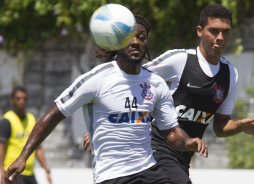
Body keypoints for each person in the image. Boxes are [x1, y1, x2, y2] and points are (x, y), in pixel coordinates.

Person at [5, 15, 208, 184]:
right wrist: (23, 156)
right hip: (112, 176)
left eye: (141, 37)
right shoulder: (98, 78)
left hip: (148, 170)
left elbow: (171, 132)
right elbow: (54, 113)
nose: (136, 41)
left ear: (146, 43)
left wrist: (190, 141)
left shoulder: (156, 84)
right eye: (129, 37)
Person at [83, 4, 254, 184]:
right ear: (200, 31)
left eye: (226, 32)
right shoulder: (180, 60)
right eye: (214, 31)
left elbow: (220, 126)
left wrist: (239, 126)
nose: (220, 37)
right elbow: (131, 78)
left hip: (182, 156)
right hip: (156, 146)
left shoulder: (230, 74)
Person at [0, 86, 52, 184]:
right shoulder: (7, 121)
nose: (22, 101)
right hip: (12, 173)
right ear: (12, 101)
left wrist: (46, 169)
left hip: (30, 173)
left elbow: (37, 148)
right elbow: (1, 150)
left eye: (24, 98)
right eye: (18, 98)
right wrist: (1, 173)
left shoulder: (31, 119)